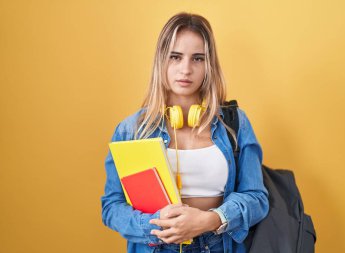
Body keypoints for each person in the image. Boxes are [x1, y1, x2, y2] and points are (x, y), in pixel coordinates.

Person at [101, 12, 269, 253]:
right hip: (156, 246)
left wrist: (210, 219)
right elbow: (111, 207)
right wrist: (154, 226)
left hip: (218, 245)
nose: (186, 69)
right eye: (175, 57)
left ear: (209, 65)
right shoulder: (132, 130)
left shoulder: (235, 123)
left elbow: (257, 198)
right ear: (162, 60)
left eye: (198, 58)